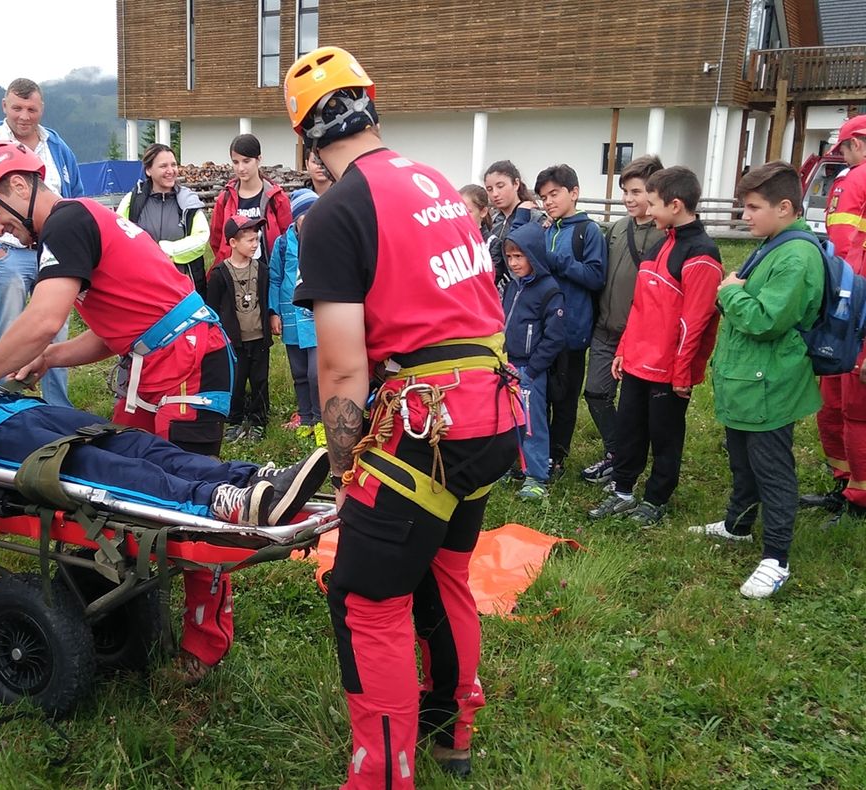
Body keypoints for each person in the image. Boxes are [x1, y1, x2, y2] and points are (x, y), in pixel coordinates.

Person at [284, 46, 519, 786]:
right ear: (371, 103)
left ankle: (382, 772)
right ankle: (455, 732)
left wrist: (346, 460)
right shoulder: (438, 185)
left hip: (423, 427)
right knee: (446, 575)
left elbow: (344, 365)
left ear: (307, 140)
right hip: (491, 411)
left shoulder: (336, 211)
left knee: (366, 599)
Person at [0, 140, 238, 684]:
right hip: (151, 362)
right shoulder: (80, 222)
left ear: (21, 186)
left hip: (191, 362)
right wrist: (49, 359)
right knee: (128, 484)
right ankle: (128, 603)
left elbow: (44, 317)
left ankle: (203, 646)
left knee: (195, 506)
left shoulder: (65, 224)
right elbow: (113, 330)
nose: (0, 230)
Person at [0, 373, 328, 526]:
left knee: (134, 443)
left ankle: (250, 479)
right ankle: (226, 504)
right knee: (101, 467)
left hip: (25, 413)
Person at [689, 161, 824, 598]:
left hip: (770, 383)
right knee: (742, 458)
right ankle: (738, 524)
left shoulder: (797, 256)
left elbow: (767, 319)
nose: (744, 216)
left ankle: (777, 558)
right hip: (749, 378)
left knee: (773, 469)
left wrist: (729, 291)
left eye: (751, 207)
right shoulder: (774, 242)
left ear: (784, 207)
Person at [588, 166, 723, 526]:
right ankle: (622, 489)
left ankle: (655, 498)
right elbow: (640, 307)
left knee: (664, 437)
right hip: (637, 363)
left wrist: (682, 373)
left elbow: (694, 323)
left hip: (668, 371)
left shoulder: (701, 253)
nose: (647, 209)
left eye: (653, 203)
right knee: (630, 428)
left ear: (675, 205)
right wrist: (624, 351)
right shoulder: (663, 243)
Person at [0, 78, 83, 408]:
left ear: (41, 109)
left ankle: (57, 408)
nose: (24, 116)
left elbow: (76, 197)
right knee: (9, 333)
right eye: (17, 108)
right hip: (9, 254)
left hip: (53, 254)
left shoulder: (57, 148)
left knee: (55, 331)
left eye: (32, 109)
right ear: (4, 106)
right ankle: (2, 403)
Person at [580, 155, 665, 484]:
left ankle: (626, 462)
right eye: (625, 192)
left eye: (637, 191)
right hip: (605, 328)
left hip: (642, 338)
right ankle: (616, 452)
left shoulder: (664, 235)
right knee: (596, 394)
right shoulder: (615, 229)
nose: (629, 199)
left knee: (633, 407)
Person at [802, 115, 866, 517]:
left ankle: (857, 498)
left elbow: (845, 254)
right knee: (835, 407)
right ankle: (845, 487)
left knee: (852, 410)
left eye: (843, 148)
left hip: (853, 316)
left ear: (857, 143)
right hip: (848, 311)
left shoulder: (852, 181)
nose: (841, 156)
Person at [535, 163, 607, 480]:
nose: (548, 201)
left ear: (573, 193)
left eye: (554, 193)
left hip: (572, 331)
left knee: (564, 398)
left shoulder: (587, 231)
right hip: (542, 329)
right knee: (542, 393)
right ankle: (537, 451)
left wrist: (556, 261)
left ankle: (557, 456)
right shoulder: (548, 230)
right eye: (543, 196)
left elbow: (595, 276)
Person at [501, 222, 565, 500]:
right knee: (506, 420)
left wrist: (533, 370)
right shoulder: (512, 287)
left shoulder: (549, 290)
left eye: (519, 256)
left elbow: (554, 337)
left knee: (531, 424)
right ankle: (509, 466)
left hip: (530, 370)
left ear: (534, 254)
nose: (514, 263)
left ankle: (537, 475)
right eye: (510, 257)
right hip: (507, 366)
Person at [208, 215, 272, 443]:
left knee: (259, 380)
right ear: (233, 243)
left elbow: (267, 300)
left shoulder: (262, 270)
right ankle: (233, 420)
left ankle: (258, 420)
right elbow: (212, 308)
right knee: (235, 380)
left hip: (259, 337)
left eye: (256, 239)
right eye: (249, 241)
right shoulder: (218, 274)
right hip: (233, 340)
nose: (255, 245)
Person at [117, 143, 210, 295]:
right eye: (163, 166)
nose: (170, 171)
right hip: (143, 288)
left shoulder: (188, 202)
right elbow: (118, 236)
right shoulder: (133, 201)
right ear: (148, 170)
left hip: (181, 290)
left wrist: (168, 251)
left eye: (173, 165)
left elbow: (201, 239)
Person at [270, 189, 324, 446]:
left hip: (314, 317)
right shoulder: (282, 244)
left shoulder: (326, 239)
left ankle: (320, 420)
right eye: (306, 214)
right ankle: (305, 418)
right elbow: (275, 278)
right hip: (290, 317)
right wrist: (273, 312)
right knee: (299, 372)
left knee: (316, 373)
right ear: (296, 218)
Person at [207, 133, 292, 264]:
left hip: (268, 276)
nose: (241, 168)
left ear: (258, 159)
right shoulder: (225, 198)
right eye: (236, 162)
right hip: (232, 278)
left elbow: (287, 241)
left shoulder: (277, 198)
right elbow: (216, 240)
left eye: (246, 161)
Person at [484, 160, 542, 291]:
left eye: (500, 186)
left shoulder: (534, 218)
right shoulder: (492, 221)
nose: (495, 194)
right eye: (489, 189)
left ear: (516, 184)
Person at [460, 184, 498, 284]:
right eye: (458, 210)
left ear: (483, 212)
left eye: (468, 211)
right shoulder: (453, 240)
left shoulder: (493, 243)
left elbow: (492, 279)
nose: (462, 215)